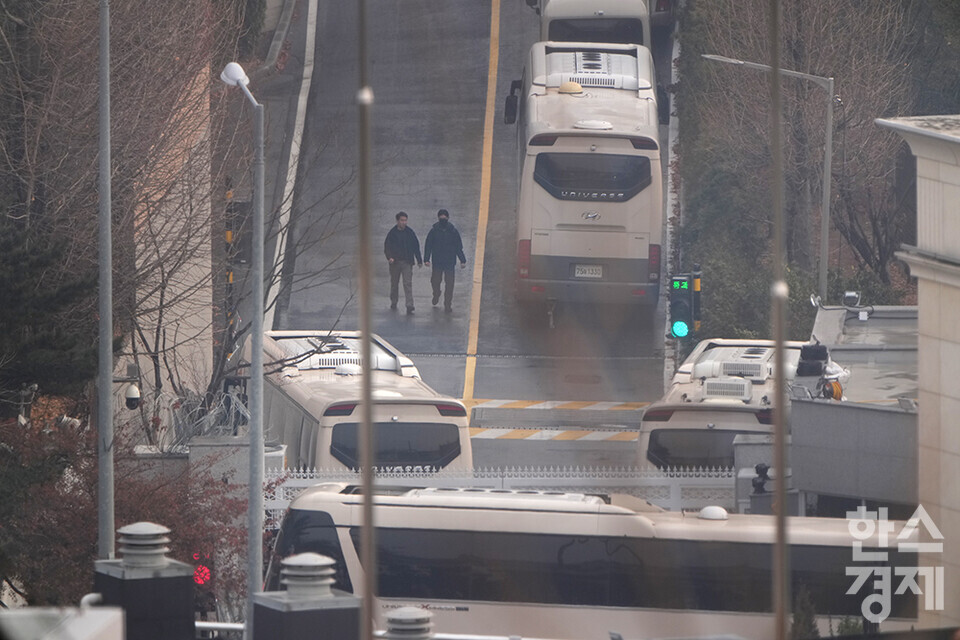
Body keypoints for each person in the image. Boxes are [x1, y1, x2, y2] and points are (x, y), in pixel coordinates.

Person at [423, 208, 467, 313]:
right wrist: (426, 259)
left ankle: (448, 304)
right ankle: (436, 293)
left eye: (444, 217)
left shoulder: (453, 231)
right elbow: (428, 245)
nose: (443, 218)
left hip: (449, 262)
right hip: (437, 261)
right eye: (441, 216)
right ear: (438, 218)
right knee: (435, 281)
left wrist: (462, 260)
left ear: (448, 218)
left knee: (450, 284)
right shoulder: (433, 231)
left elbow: (458, 247)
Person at [383, 211, 422, 314]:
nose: (404, 222)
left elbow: (415, 246)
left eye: (405, 220)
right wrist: (389, 257)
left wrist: (419, 260)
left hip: (407, 262)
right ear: (397, 221)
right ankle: (394, 301)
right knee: (394, 283)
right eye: (402, 220)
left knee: (407, 283)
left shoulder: (410, 233)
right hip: (395, 262)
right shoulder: (392, 233)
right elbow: (387, 246)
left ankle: (409, 305)